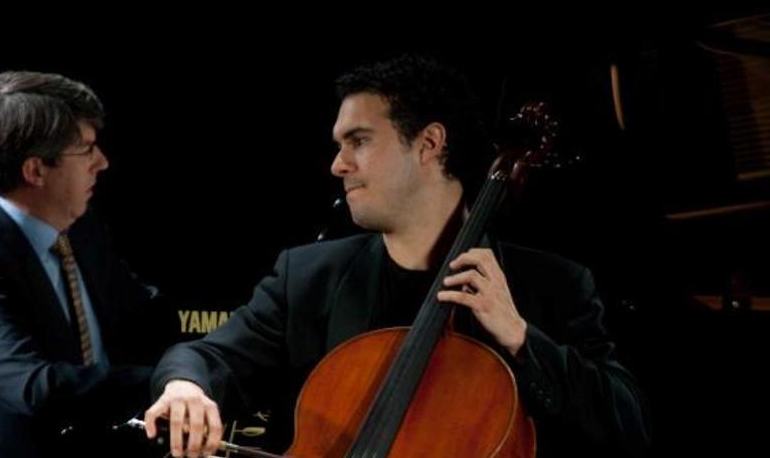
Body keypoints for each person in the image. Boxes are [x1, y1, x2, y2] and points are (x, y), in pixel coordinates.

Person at [145, 55, 651, 457]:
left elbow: (628, 424)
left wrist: (521, 338)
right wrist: (185, 386)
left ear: (429, 143)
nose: (338, 164)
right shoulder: (307, 278)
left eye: (358, 141)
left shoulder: (554, 285)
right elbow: (206, 357)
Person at [0, 71, 170, 457]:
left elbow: (145, 314)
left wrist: (201, 366)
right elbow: (34, 388)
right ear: (35, 171)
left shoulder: (78, 226)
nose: (103, 162)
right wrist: (161, 382)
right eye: (87, 149)